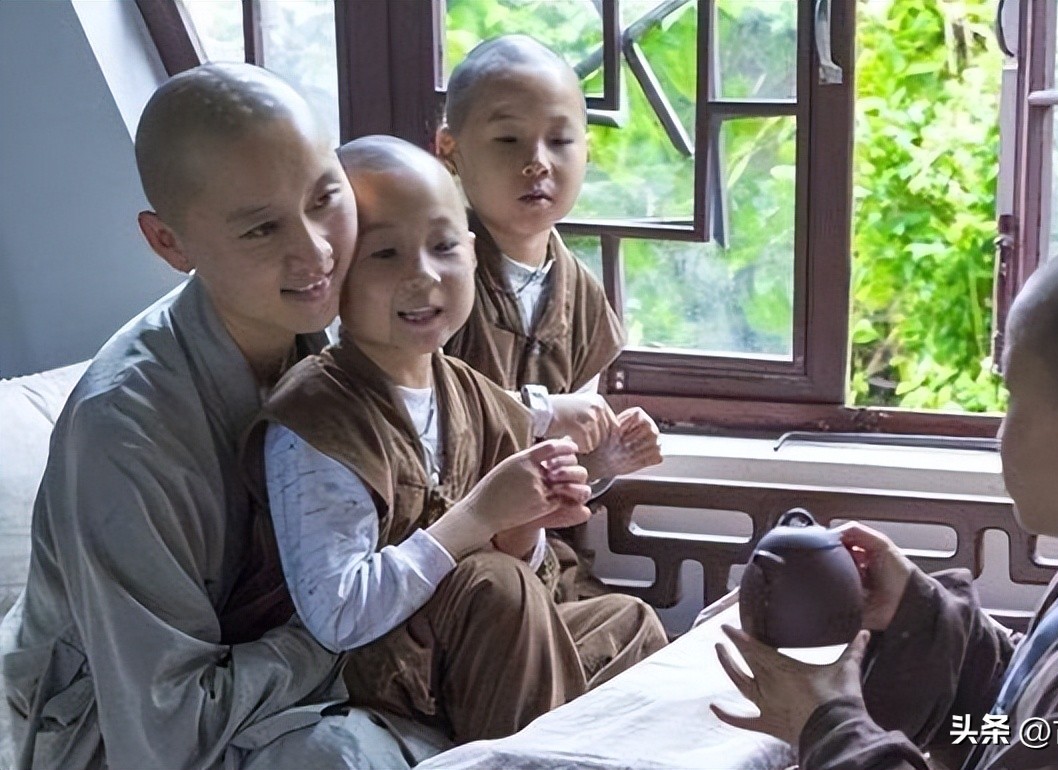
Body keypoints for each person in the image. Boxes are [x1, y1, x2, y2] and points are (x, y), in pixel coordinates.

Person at [0, 63, 420, 770]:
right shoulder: (125, 434)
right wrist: (356, 623)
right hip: (112, 726)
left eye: (326, 198)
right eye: (262, 229)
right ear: (170, 244)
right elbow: (166, 730)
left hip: (298, 667)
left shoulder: (356, 324)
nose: (316, 250)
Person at [711, 218, 1058, 769]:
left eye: (1013, 398)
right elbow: (1025, 720)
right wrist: (919, 614)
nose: (1000, 433)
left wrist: (828, 723)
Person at [220, 136, 668, 743]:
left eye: (443, 246)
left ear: (474, 256)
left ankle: (547, 744)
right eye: (384, 255)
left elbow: (519, 564)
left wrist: (525, 526)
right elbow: (338, 616)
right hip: (381, 664)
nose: (422, 275)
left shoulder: (466, 391)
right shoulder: (317, 417)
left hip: (478, 650)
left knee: (629, 624)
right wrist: (481, 514)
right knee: (498, 588)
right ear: (333, 276)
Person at [436, 34, 645, 600]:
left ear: (587, 149)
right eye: (508, 139)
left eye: (560, 140)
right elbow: (407, 415)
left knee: (633, 629)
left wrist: (602, 460)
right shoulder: (428, 271)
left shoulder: (581, 294)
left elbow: (571, 460)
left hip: (545, 559)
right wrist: (542, 412)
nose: (537, 163)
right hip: (446, 553)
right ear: (449, 149)